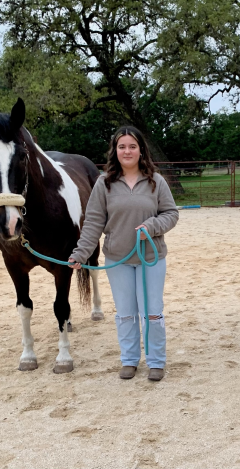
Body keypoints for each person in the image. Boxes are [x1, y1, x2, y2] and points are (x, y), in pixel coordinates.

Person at [68, 126, 179, 381]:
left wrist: (152, 226)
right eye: (122, 147)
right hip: (118, 259)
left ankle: (156, 361)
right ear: (115, 151)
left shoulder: (156, 182)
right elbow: (94, 222)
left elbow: (171, 214)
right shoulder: (104, 183)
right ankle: (129, 360)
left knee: (152, 312)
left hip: (150, 258)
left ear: (141, 150)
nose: (127, 151)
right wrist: (81, 253)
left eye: (132, 146)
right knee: (126, 313)